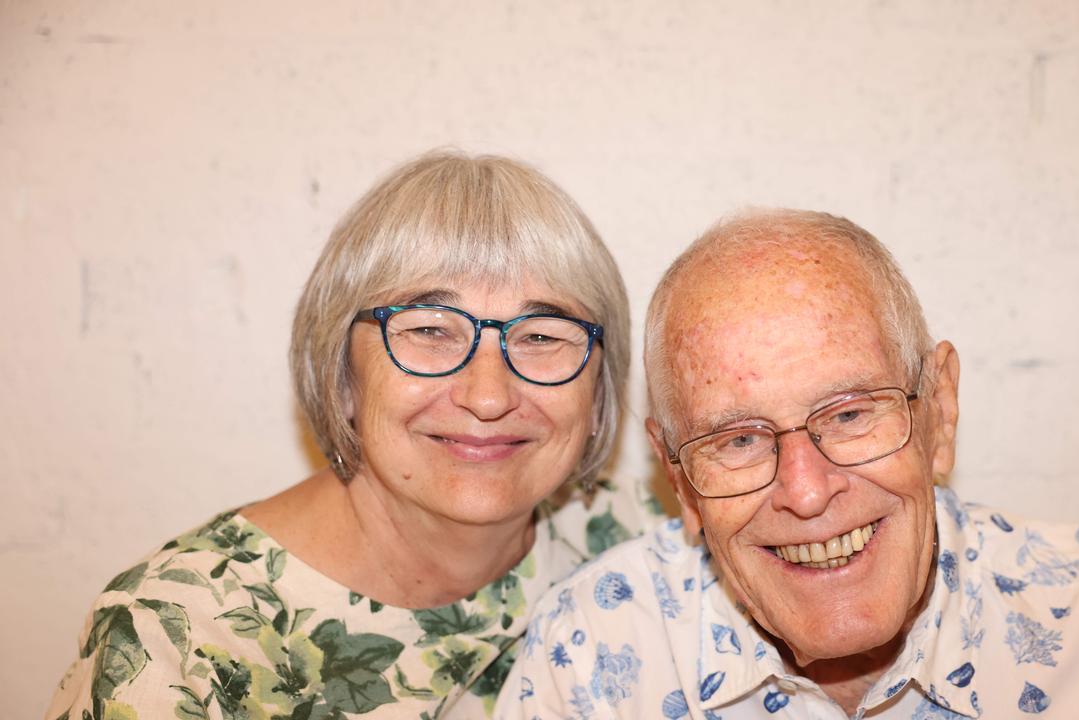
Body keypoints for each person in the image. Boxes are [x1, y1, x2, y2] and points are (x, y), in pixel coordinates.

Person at [497, 209, 1079, 719]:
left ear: (939, 412)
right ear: (678, 477)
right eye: (737, 440)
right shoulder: (592, 652)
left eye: (852, 414)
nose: (805, 491)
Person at [45, 151, 657, 719]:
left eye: (541, 336)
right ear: (342, 374)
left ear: (599, 389)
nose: (489, 395)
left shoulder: (660, 553)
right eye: (430, 330)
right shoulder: (180, 640)